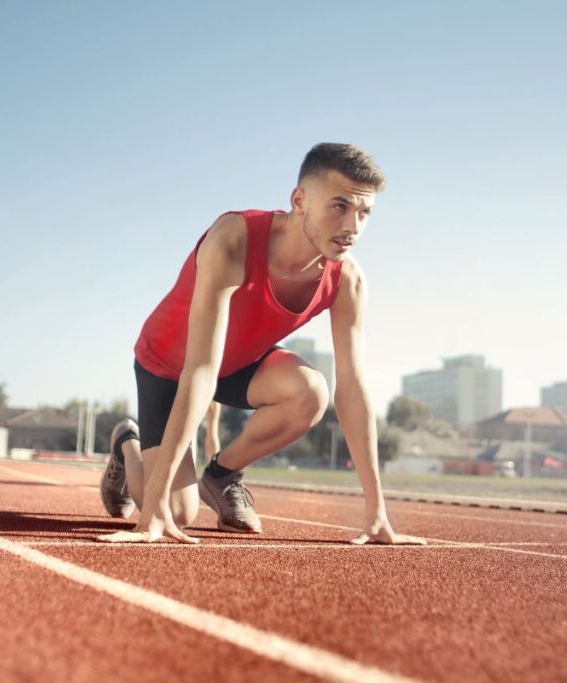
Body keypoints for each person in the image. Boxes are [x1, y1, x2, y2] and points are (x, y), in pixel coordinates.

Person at [101, 143, 424, 546]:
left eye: (365, 213)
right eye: (339, 207)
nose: (353, 227)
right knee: (177, 512)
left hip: (238, 365)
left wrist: (376, 512)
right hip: (168, 366)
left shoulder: (348, 280)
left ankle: (221, 476)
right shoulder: (233, 239)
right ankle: (126, 445)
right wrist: (152, 508)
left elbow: (353, 389)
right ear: (299, 200)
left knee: (311, 392)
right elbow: (200, 368)